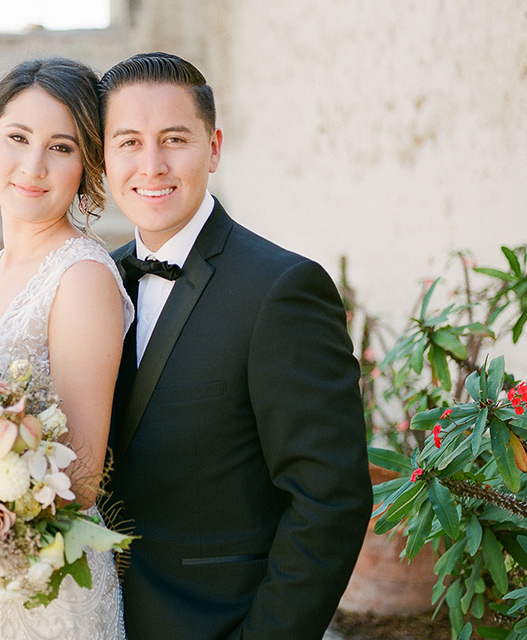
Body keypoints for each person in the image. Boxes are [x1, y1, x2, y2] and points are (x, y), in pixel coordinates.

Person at [100, 52, 372, 640]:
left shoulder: (282, 289)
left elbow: (330, 498)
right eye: (128, 142)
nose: (152, 164)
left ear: (214, 147)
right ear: (104, 155)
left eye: (175, 138)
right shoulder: (95, 282)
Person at [0, 57, 134, 640]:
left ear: (86, 167)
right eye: (18, 137)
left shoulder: (81, 277)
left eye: (61, 148)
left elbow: (83, 475)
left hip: (47, 588)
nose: (34, 166)